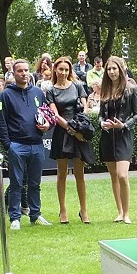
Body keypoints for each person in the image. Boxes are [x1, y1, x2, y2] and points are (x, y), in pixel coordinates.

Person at [0, 59, 51, 229]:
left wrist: (47, 125)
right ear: (13, 73)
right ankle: (15, 218)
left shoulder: (38, 93)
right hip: (17, 145)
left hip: (36, 144)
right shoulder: (5, 95)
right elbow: (1, 121)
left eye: (26, 70)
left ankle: (35, 215)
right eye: (20, 71)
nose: (24, 73)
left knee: (35, 183)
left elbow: (46, 114)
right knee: (16, 183)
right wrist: (8, 145)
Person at [48, 56, 91, 224]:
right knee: (62, 173)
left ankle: (84, 210)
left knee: (80, 173)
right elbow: (54, 114)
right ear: (55, 70)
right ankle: (63, 210)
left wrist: (79, 129)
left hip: (78, 130)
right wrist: (70, 128)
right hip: (62, 132)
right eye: (61, 69)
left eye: (66, 70)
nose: (64, 73)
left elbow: (85, 108)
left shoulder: (78, 86)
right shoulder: (51, 90)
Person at [99, 56, 137, 223]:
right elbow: (101, 114)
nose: (111, 72)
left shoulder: (130, 89)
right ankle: (120, 212)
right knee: (113, 176)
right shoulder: (105, 90)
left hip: (124, 135)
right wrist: (102, 123)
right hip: (108, 137)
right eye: (109, 69)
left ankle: (127, 213)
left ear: (121, 69)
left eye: (114, 69)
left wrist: (124, 125)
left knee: (122, 175)